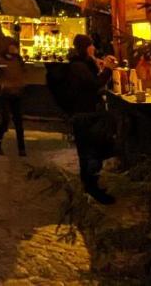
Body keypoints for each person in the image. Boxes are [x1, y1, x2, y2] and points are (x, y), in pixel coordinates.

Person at [66, 34, 118, 204]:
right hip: (85, 115)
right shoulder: (78, 66)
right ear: (85, 47)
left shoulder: (82, 64)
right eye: (91, 45)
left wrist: (100, 67)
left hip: (85, 113)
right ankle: (91, 188)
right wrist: (108, 69)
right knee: (90, 152)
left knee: (89, 151)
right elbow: (94, 85)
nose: (94, 48)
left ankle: (89, 186)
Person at [0, 36, 27, 156]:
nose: (13, 48)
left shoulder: (18, 60)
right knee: (5, 119)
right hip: (4, 94)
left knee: (18, 121)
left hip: (16, 92)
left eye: (15, 46)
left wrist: (21, 85)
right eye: (11, 46)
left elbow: (23, 72)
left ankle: (21, 148)